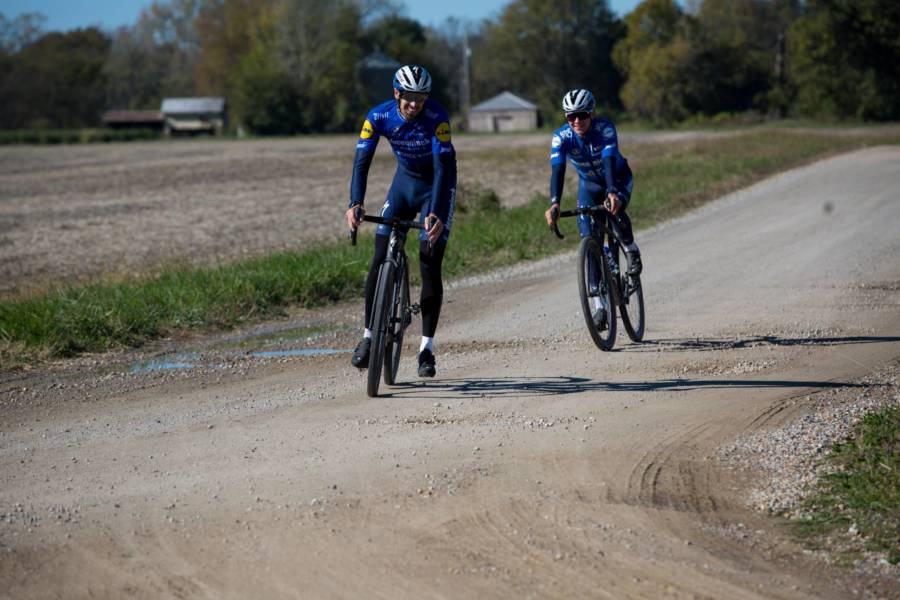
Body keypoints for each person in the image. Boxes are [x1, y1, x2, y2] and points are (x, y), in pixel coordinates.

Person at [346, 65, 457, 378]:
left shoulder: (437, 118)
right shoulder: (378, 117)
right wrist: (355, 203)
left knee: (429, 262)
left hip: (437, 185)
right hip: (404, 185)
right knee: (380, 255)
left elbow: (442, 166)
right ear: (396, 93)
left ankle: (426, 349)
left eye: (420, 98)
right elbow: (361, 162)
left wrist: (434, 212)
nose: (415, 104)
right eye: (409, 97)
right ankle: (368, 338)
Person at [544, 89, 642, 327]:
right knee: (589, 238)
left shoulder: (605, 129)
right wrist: (554, 202)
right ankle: (600, 307)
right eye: (571, 116)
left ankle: (631, 249)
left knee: (614, 209)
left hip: (616, 178)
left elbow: (609, 160)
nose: (577, 121)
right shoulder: (561, 137)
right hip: (588, 186)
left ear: (592, 113)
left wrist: (611, 192)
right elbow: (558, 170)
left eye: (582, 115)